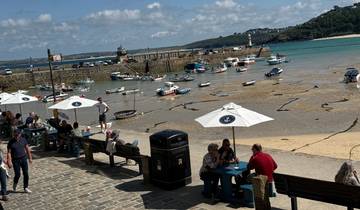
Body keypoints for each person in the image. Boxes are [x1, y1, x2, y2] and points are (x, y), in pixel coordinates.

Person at [7, 129, 32, 193]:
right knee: (17, 174)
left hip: (23, 158)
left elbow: (27, 149)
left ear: (20, 134)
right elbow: (9, 153)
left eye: (17, 135)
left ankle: (26, 187)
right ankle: (15, 184)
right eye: (15, 135)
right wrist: (9, 161)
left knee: (26, 173)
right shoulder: (10, 142)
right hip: (15, 160)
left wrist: (30, 158)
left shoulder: (23, 139)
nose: (16, 136)